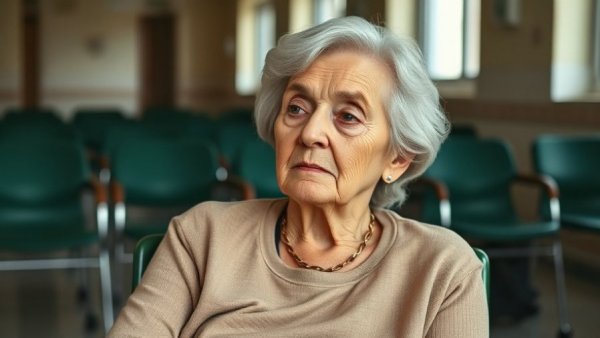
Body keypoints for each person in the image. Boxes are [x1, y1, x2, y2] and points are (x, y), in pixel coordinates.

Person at [109, 16, 488, 337]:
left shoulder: (441, 268)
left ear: (399, 159)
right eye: (296, 107)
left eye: (348, 116)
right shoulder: (203, 236)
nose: (310, 133)